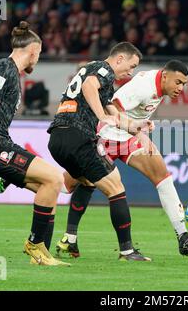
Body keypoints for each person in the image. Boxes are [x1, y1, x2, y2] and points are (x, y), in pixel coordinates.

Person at [57, 60, 188, 258]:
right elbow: (110, 105)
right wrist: (138, 133)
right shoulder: (143, 87)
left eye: (184, 84)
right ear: (165, 76)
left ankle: (183, 237)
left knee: (163, 176)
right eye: (178, 82)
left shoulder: (160, 85)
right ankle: (21, 173)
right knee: (69, 184)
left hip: (128, 138)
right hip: (107, 135)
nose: (180, 88)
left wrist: (137, 131)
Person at [0, 21, 69, 266]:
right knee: (55, 178)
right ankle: (34, 244)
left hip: (1, 144)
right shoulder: (3, 68)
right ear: (33, 50)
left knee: (49, 188)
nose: (39, 58)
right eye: (40, 53)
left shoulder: (12, 73)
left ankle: (41, 255)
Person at [47, 42, 152, 261]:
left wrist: (136, 127)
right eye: (131, 66)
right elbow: (89, 87)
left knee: (84, 182)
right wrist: (102, 117)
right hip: (78, 137)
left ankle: (69, 240)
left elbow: (112, 111)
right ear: (119, 58)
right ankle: (127, 251)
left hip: (58, 137)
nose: (130, 73)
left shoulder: (99, 76)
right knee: (116, 187)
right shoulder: (103, 70)